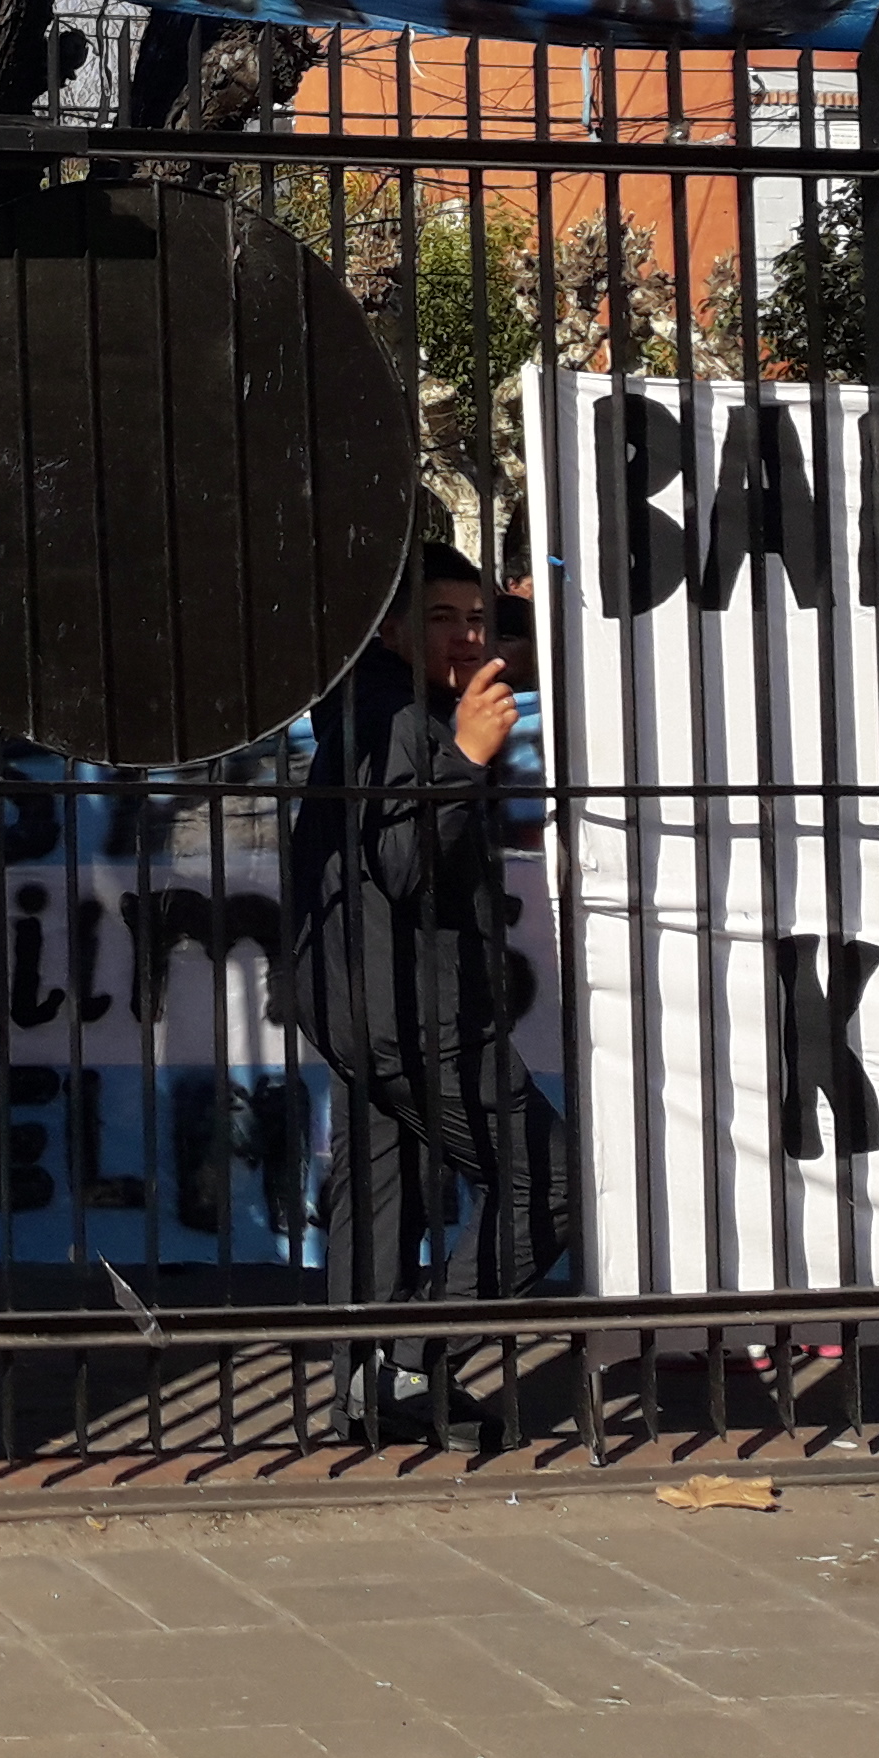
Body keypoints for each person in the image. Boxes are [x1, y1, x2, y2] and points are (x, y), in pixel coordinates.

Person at [286, 544, 574, 1429]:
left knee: (381, 1193)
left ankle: (368, 1391)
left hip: (364, 998)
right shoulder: (408, 719)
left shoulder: (373, 705)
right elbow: (405, 863)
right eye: (441, 619)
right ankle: (410, 1349)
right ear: (392, 627)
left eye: (475, 618)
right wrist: (469, 756)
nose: (465, 637)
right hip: (411, 1007)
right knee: (548, 1185)